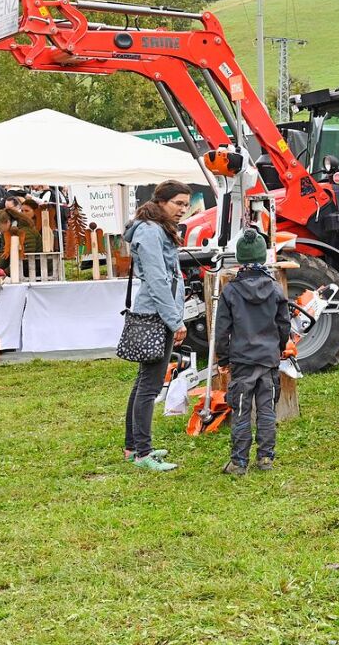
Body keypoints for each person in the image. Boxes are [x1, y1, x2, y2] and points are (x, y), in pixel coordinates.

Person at [121, 180, 191, 472]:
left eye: (186, 204)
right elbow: (158, 280)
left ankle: (132, 447)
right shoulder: (150, 232)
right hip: (155, 316)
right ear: (161, 201)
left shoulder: (155, 228)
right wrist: (175, 321)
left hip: (156, 313)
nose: (183, 210)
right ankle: (142, 454)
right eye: (178, 203)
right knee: (149, 387)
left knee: (143, 383)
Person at [215, 228, 290, 476]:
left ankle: (238, 462)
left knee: (241, 409)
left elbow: (222, 329)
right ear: (263, 257)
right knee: (266, 409)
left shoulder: (230, 291)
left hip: (242, 361)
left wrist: (223, 358)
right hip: (268, 360)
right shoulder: (276, 288)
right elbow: (284, 325)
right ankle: (266, 458)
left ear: (239, 259)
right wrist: (279, 349)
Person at [0, 208, 43, 273]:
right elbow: (3, 253)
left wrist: (6, 272)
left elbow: (25, 257)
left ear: (8, 222)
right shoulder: (6, 233)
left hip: (37, 269)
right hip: (22, 269)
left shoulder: (25, 232)